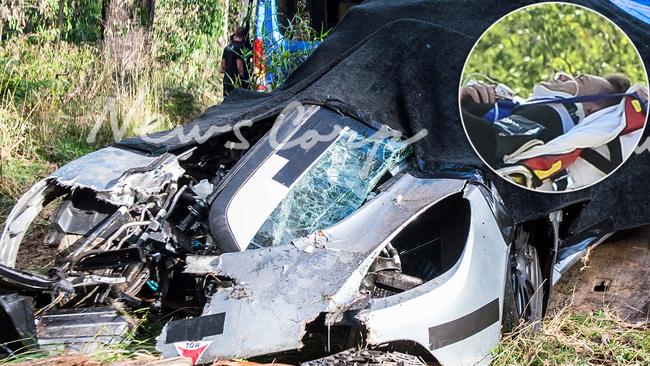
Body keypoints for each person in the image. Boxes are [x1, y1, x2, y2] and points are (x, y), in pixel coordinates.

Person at [460, 73, 632, 166]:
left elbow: (488, 143)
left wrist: (451, 101)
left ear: (589, 108)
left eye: (579, 80)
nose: (562, 76)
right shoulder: (545, 112)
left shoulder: (554, 114)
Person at [220, 27, 250, 96]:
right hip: (236, 83)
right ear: (244, 37)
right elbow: (239, 67)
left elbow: (222, 67)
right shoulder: (240, 48)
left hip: (227, 81)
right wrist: (244, 81)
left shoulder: (227, 48)